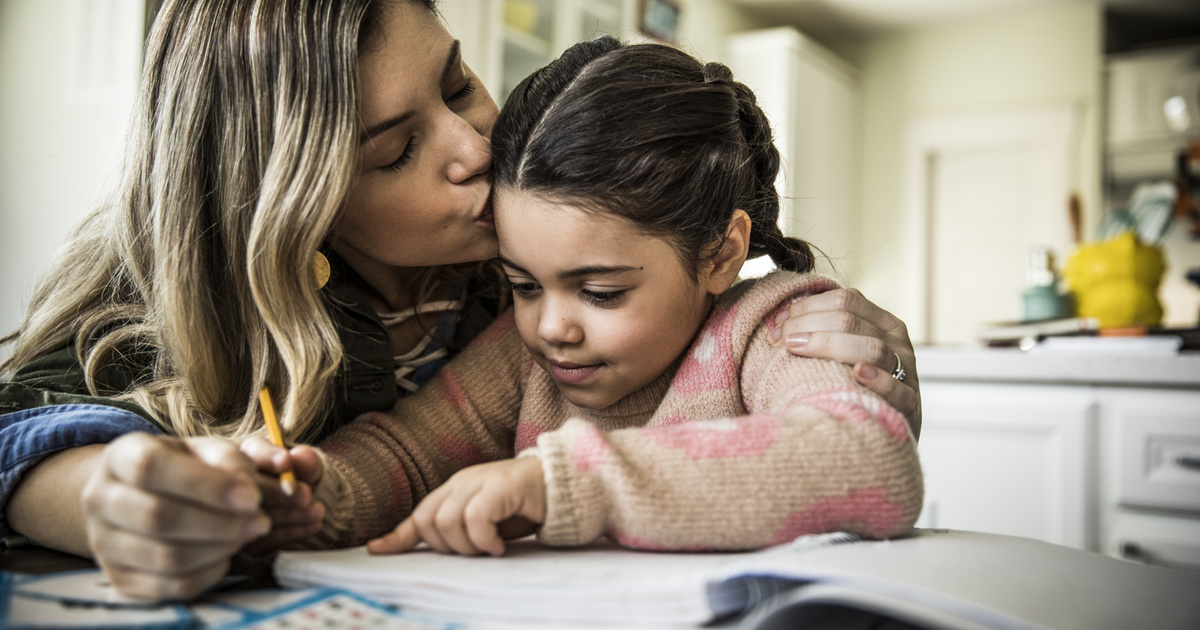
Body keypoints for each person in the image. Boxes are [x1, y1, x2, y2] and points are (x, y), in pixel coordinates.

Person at [0, 0, 919, 600]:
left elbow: (860, 457)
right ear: (290, 200)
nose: (477, 148)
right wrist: (291, 499)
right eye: (395, 150)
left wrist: (874, 379)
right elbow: (403, 452)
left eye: (457, 83)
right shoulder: (524, 341)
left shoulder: (729, 312)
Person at [265, 36, 921, 558]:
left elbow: (869, 457)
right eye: (522, 284)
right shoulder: (524, 361)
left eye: (601, 291)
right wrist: (315, 494)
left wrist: (567, 484)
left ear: (720, 253)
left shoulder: (773, 329)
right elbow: (406, 455)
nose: (552, 327)